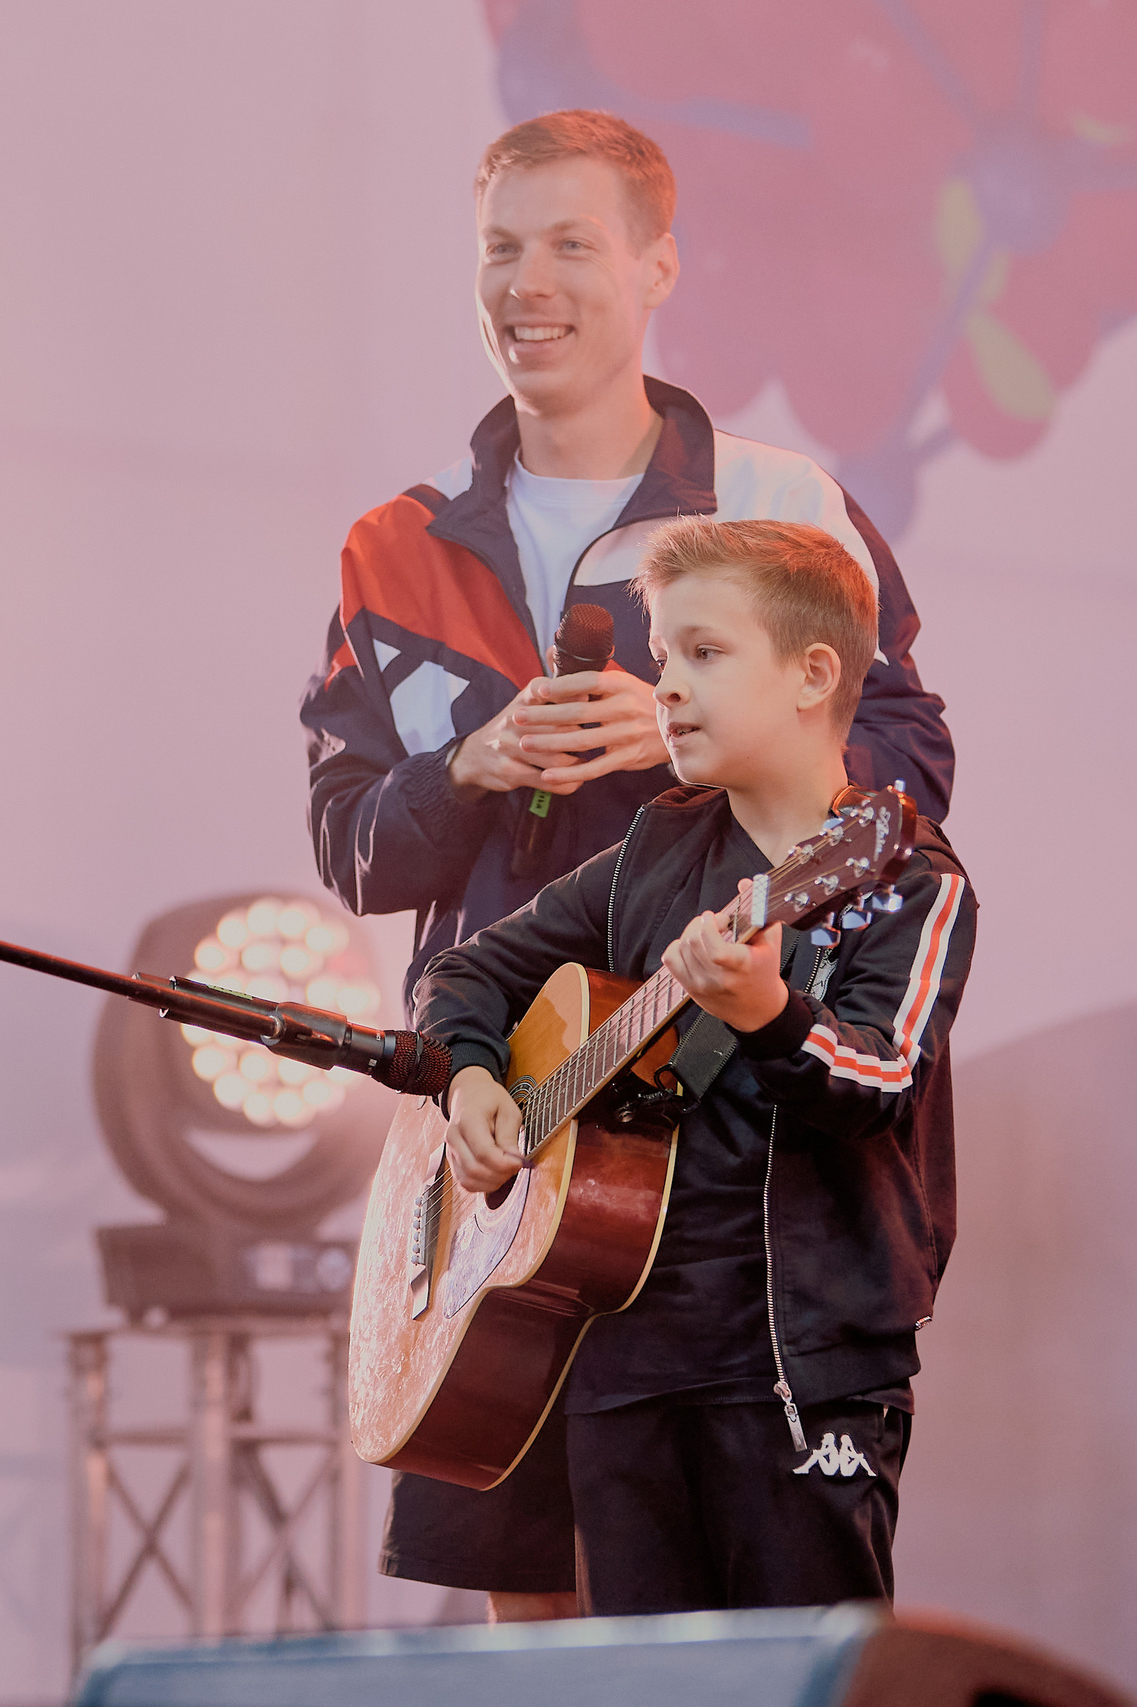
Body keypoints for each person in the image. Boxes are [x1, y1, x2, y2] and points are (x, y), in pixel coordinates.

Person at [299, 107, 957, 1620]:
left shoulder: (781, 502)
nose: (530, 282)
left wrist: (686, 741)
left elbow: (912, 769)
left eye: (573, 244)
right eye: (501, 249)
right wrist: (464, 767)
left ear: (660, 266)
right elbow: (349, 838)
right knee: (528, 1602)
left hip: (736, 1158)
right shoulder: (389, 547)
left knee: (727, 1617)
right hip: (513, 1142)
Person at [410, 516, 974, 1614]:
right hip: (618, 1361)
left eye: (702, 655)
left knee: (801, 1684)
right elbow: (463, 974)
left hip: (799, 1370)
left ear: (815, 674)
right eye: (661, 657)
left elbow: (882, 1083)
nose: (662, 686)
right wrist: (474, 1080)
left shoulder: (899, 875)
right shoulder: (655, 852)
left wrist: (765, 1011)